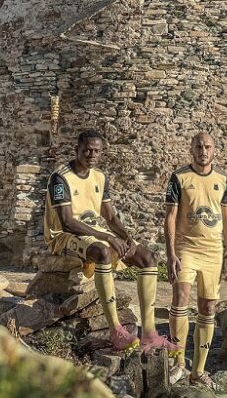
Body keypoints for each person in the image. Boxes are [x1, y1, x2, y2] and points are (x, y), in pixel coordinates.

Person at [44, 130, 175, 352]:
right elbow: (66, 222)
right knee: (103, 252)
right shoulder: (60, 177)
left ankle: (149, 333)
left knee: (148, 257)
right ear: (76, 150)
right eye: (86, 150)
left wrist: (126, 237)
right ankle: (116, 330)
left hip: (93, 231)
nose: (91, 154)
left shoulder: (100, 177)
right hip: (63, 236)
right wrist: (107, 237)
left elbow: (111, 217)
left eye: (96, 150)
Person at [164, 132, 227, 388]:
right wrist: (170, 253)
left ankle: (199, 371)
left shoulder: (223, 180)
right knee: (180, 299)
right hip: (186, 248)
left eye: (207, 146)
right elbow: (170, 217)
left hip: (213, 253)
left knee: (208, 309)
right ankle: (178, 364)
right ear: (191, 149)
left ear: (214, 150)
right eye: (198, 146)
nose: (203, 151)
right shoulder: (179, 178)